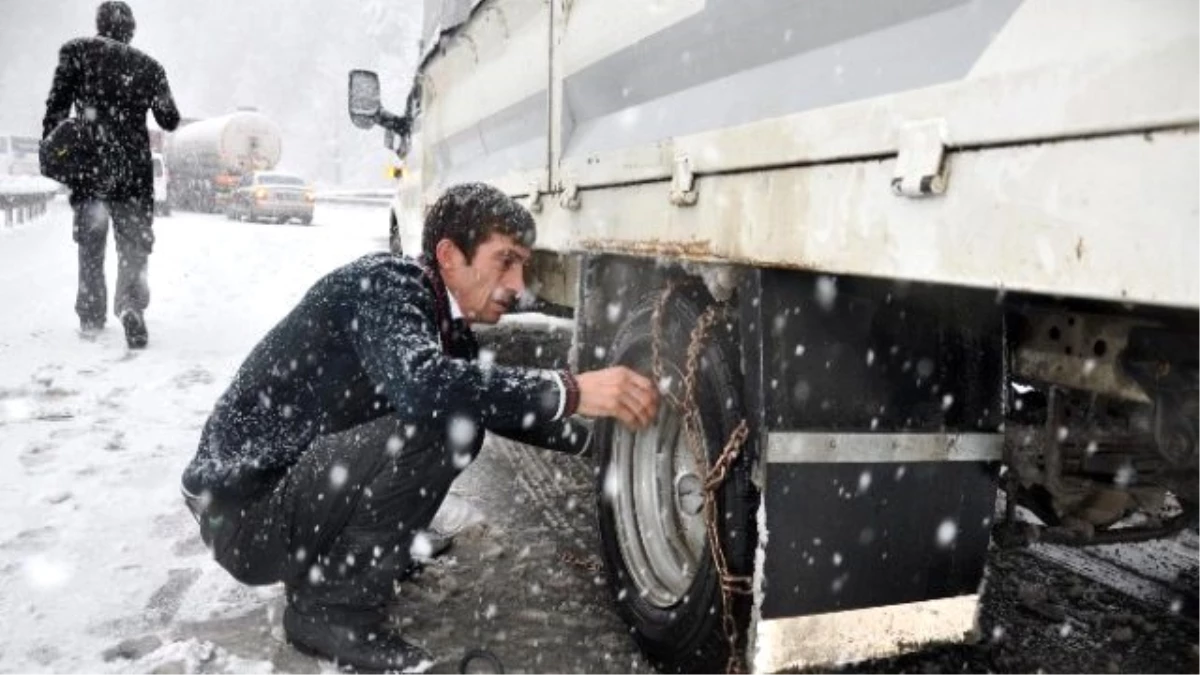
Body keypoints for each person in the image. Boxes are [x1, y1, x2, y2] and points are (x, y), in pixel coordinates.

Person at [180, 183, 659, 671]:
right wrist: (571, 389)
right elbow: (423, 386)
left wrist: (605, 439)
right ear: (449, 254)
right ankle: (330, 611)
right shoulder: (389, 283)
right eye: (505, 261)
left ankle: (359, 556)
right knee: (445, 424)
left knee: (461, 411)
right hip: (243, 516)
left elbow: (496, 405)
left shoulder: (441, 323)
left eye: (522, 266)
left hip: (276, 499)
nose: (518, 284)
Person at [42, 1, 180, 348]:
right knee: (133, 248)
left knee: (91, 246)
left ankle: (91, 315)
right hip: (133, 175)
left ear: (99, 24)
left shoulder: (76, 53)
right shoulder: (150, 67)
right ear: (130, 29)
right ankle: (131, 305)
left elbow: (55, 110)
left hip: (90, 173)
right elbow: (170, 119)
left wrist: (56, 152)